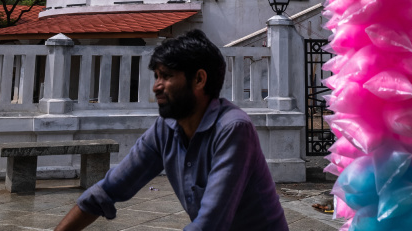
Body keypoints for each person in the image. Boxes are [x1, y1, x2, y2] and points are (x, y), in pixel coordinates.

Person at [54, 29, 289, 231]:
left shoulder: (233, 129)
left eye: (166, 76)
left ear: (199, 79)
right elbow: (107, 190)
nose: (156, 86)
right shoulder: (165, 129)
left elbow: (209, 224)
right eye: (156, 76)